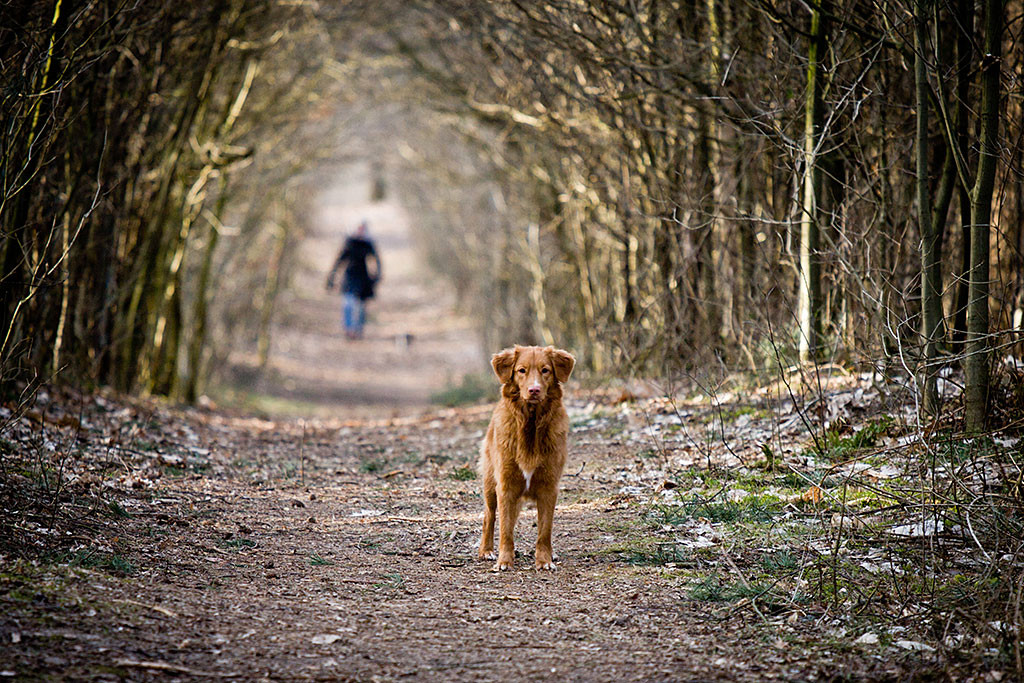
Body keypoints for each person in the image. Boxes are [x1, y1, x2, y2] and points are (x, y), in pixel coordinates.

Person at [325, 221, 381, 339]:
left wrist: (377, 275)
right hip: (349, 277)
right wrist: (332, 277)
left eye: (362, 229)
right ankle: (349, 330)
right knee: (348, 305)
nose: (360, 231)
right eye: (358, 229)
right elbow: (339, 260)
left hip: (363, 279)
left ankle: (358, 330)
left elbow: (376, 260)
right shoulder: (349, 243)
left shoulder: (368, 243)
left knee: (361, 308)